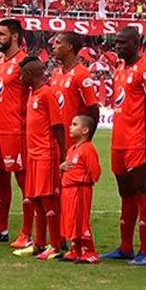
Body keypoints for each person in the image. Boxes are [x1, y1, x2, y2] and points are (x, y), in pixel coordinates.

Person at [101, 26, 146, 265]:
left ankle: (144, 251)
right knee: (125, 193)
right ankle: (125, 247)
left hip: (139, 141)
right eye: (116, 43)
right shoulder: (119, 69)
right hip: (119, 141)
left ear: (136, 44)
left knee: (141, 191)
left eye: (123, 43)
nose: (118, 47)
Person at [0, 18, 30, 246]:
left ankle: (27, 233)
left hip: (17, 132)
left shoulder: (25, 63)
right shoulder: (1, 63)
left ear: (14, 36)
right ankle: (0, 229)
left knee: (25, 183)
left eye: (2, 34)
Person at [16, 55, 65, 259]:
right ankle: (39, 243)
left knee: (48, 199)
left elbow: (58, 127)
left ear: (29, 74)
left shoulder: (46, 94)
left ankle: (55, 244)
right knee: (35, 198)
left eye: (21, 75)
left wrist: (63, 155)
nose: (20, 79)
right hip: (33, 155)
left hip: (47, 154)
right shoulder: (32, 94)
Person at [59, 113, 102, 263]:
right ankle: (75, 249)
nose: (70, 127)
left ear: (85, 130)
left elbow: (95, 172)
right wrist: (62, 168)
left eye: (75, 124)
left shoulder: (88, 149)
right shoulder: (72, 149)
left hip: (79, 189)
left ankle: (89, 251)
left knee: (80, 220)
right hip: (68, 190)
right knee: (71, 221)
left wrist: (82, 181)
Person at [49, 31, 100, 135]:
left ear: (69, 47)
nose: (53, 46)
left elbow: (93, 109)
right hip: (55, 138)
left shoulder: (81, 73)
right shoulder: (55, 73)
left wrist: (87, 138)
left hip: (72, 140)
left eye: (58, 43)